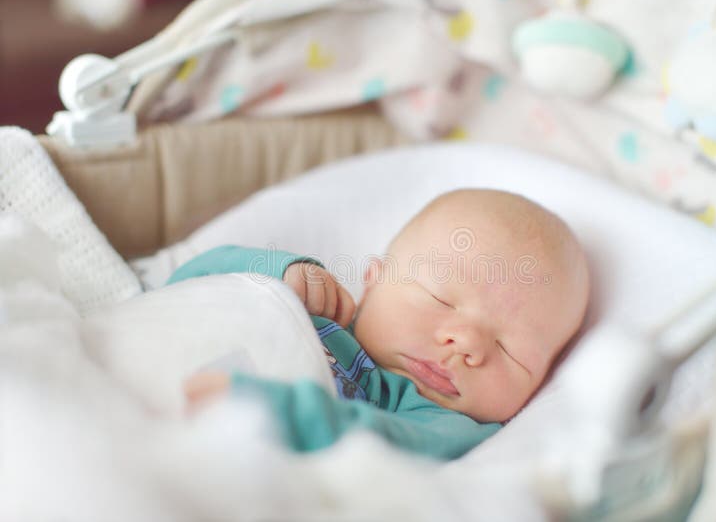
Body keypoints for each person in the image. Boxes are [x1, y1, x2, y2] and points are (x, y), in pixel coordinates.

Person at [172, 188, 590, 459]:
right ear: (372, 282)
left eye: (510, 350)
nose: (466, 343)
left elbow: (385, 451)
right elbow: (183, 289)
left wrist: (279, 413)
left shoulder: (448, 431)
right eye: (440, 298)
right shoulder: (309, 308)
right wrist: (275, 275)